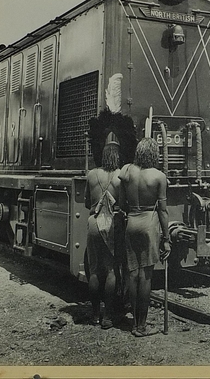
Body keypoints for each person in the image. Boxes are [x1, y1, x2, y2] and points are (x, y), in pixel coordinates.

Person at [118, 138, 171, 337]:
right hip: (149, 224)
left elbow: (122, 204)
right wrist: (166, 238)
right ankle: (142, 325)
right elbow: (163, 211)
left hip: (131, 221)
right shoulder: (159, 177)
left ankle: (133, 323)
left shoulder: (126, 171)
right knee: (146, 275)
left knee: (133, 273)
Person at [84, 133, 123, 329]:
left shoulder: (91, 175)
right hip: (112, 223)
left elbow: (85, 202)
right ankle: (108, 317)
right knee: (110, 271)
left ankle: (94, 314)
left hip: (93, 222)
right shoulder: (120, 176)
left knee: (94, 270)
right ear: (117, 156)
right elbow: (124, 204)